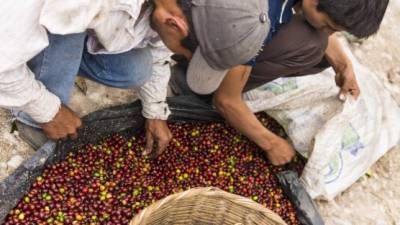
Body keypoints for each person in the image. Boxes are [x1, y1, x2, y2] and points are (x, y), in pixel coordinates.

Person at [0, 0, 268, 155]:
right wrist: (48, 110)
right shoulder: (80, 3)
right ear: (174, 23)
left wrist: (155, 112)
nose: (183, 57)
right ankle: (29, 116)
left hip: (76, 19)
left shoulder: (184, 10)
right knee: (66, 36)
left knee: (137, 70)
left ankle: (61, 51)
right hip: (18, 22)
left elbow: (161, 48)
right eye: (187, 54)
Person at [163, 0, 389, 165]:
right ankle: (189, 80)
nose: (330, 33)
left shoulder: (286, 9)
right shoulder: (258, 20)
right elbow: (226, 102)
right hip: (188, 35)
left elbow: (325, 35)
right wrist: (271, 143)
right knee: (312, 43)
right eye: (329, 24)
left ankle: (227, 75)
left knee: (319, 48)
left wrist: (344, 67)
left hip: (208, 18)